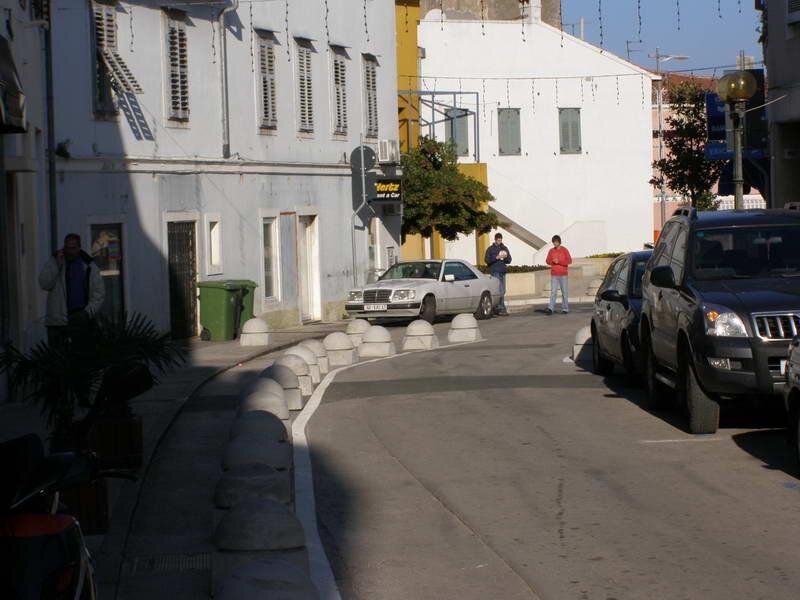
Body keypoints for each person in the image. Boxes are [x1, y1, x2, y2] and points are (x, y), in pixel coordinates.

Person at [38, 233, 105, 347]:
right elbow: (44, 284)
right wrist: (57, 267)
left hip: (81, 318)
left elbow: (99, 293)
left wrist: (87, 313)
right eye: (67, 248)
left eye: (73, 248)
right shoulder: (55, 261)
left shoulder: (89, 266)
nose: (70, 252)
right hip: (57, 322)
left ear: (79, 248)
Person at [484, 233, 512, 316]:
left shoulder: (504, 248)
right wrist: (496, 258)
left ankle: (497, 308)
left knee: (503, 291)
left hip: (503, 271)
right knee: (499, 291)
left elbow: (509, 260)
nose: (500, 241)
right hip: (495, 271)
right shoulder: (490, 249)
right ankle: (501, 309)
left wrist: (506, 257)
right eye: (498, 240)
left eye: (501, 240)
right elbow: (487, 260)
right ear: (495, 240)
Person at [545, 235, 572, 315]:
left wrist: (559, 261)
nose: (555, 243)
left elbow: (569, 261)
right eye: (554, 242)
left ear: (559, 242)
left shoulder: (564, 250)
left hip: (563, 274)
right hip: (554, 274)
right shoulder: (551, 251)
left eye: (556, 242)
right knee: (553, 292)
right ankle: (550, 308)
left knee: (564, 292)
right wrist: (552, 262)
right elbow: (547, 261)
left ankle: (565, 308)